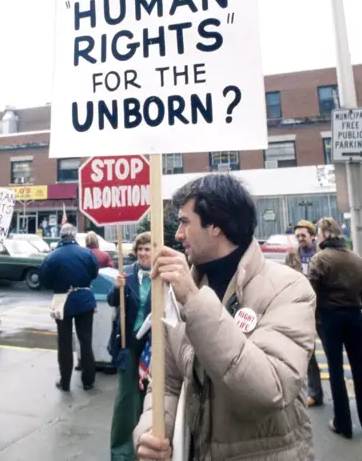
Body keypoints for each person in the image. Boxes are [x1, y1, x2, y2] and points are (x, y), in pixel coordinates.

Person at [134, 174, 316, 461]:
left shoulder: (288, 287)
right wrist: (154, 432)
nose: (178, 234)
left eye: (184, 222)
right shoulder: (177, 293)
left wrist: (195, 303)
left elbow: (270, 389)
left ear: (216, 225)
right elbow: (167, 383)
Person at [309, 217, 362, 439]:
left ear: (323, 234)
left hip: (330, 319)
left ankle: (343, 424)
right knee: (359, 369)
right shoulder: (356, 259)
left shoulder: (319, 260)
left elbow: (311, 294)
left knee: (336, 370)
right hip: (355, 316)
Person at [108, 232, 152, 461]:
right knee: (127, 398)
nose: (144, 253)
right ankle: (122, 451)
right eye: (141, 249)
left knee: (150, 399)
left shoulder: (162, 276)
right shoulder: (128, 274)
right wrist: (117, 288)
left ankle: (144, 448)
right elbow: (112, 301)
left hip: (153, 348)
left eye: (148, 249)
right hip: (128, 344)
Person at [40, 223, 99, 392]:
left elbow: (44, 280)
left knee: (64, 342)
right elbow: (94, 274)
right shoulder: (87, 254)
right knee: (85, 341)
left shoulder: (52, 257)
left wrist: (59, 285)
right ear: (74, 236)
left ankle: (65, 381)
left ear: (60, 236)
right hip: (85, 299)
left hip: (62, 301)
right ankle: (88, 380)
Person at [285, 220, 323, 407]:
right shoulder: (291, 255)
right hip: (302, 308)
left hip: (323, 308)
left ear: (312, 236)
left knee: (332, 352)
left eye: (303, 235)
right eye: (297, 235)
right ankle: (315, 393)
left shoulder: (321, 254)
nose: (299, 239)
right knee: (309, 352)